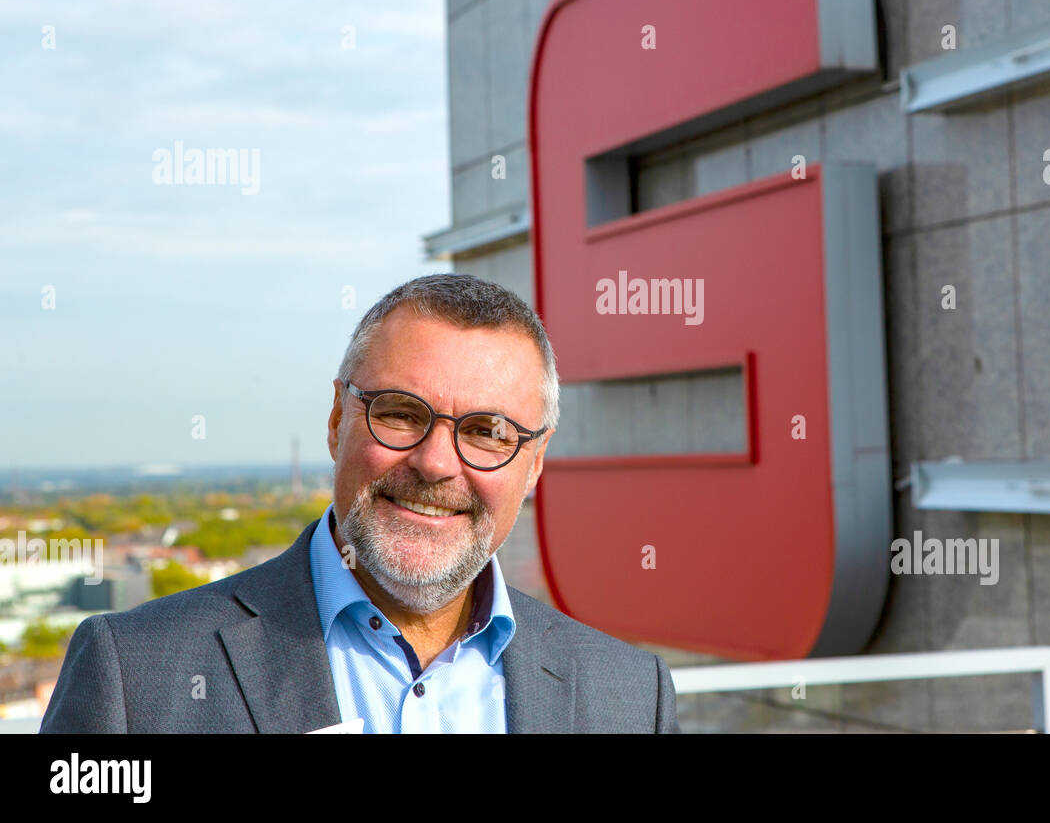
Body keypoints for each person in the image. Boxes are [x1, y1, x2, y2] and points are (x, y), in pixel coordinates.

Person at [40, 274, 681, 733]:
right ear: (336, 420)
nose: (435, 463)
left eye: (487, 431)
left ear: (535, 461)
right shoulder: (135, 675)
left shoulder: (629, 700)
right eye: (400, 414)